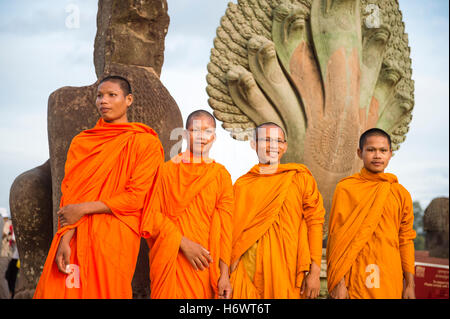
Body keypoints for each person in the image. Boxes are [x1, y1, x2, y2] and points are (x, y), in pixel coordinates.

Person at [33, 75, 164, 298]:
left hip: (115, 237)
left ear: (128, 100)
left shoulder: (145, 142)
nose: (104, 101)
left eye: (112, 95)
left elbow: (135, 198)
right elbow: (71, 196)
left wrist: (83, 209)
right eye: (100, 96)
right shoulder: (82, 142)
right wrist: (65, 236)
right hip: (76, 233)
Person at [142, 110, 233, 299]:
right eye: (195, 130)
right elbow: (150, 215)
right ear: (185, 134)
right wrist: (182, 243)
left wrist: (224, 275)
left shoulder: (220, 175)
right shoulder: (166, 171)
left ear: (214, 137)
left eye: (207, 131)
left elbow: (226, 229)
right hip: (171, 260)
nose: (201, 136)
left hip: (204, 266)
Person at [230, 122, 325, 299]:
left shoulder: (300, 178)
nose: (273, 146)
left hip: (287, 270)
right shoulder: (242, 185)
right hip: (247, 272)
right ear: (253, 144)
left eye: (279, 141)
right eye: (266, 140)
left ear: (285, 146)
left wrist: (314, 272)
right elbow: (232, 233)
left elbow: (315, 223)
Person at [326, 128, 416, 299]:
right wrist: (339, 283)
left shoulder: (400, 193)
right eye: (371, 150)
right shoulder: (346, 188)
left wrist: (410, 284)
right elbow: (337, 238)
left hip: (389, 276)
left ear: (390, 154)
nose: (377, 155)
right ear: (360, 153)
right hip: (356, 275)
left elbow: (405, 239)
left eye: (383, 150)